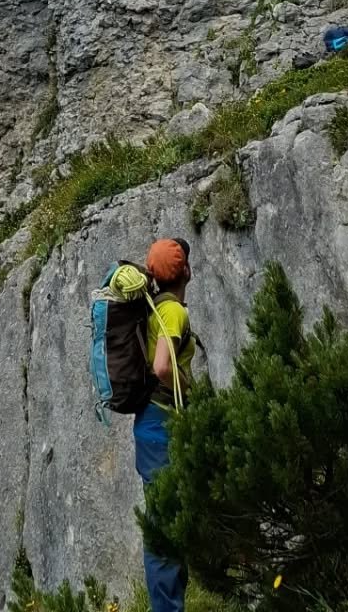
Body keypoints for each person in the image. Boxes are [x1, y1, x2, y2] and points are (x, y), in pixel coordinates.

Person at [134, 237, 195, 612]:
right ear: (185, 270)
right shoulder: (173, 312)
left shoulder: (154, 308)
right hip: (162, 423)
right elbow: (161, 366)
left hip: (151, 422)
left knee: (168, 519)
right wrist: (187, 386)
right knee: (163, 523)